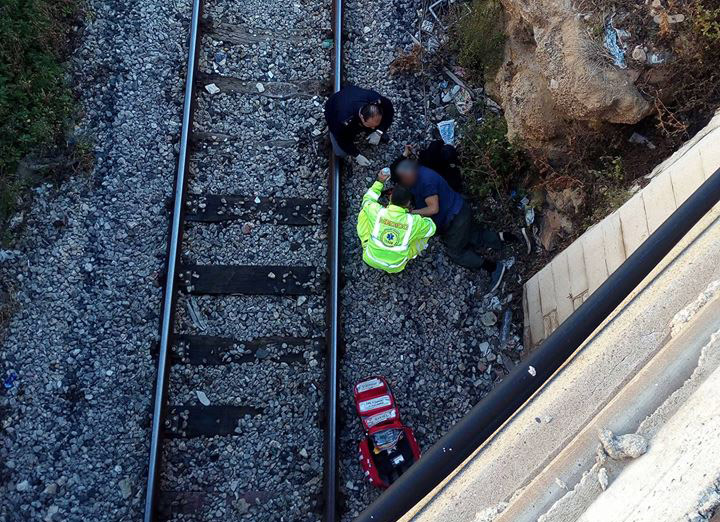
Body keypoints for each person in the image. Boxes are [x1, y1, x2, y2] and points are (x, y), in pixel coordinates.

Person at [395, 158, 518, 291]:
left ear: (407, 175)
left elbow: (433, 209)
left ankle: (494, 268)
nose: (403, 184)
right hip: (460, 208)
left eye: (402, 180)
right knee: (473, 235)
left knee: (455, 252)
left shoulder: (426, 182)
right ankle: (504, 237)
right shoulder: (417, 171)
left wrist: (411, 213)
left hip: (455, 219)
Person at [357, 169, 436, 274]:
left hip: (370, 257)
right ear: (408, 203)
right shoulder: (414, 222)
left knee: (365, 211)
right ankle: (408, 255)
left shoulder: (377, 212)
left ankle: (366, 242)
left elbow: (367, 199)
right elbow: (432, 228)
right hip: (396, 265)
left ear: (390, 198)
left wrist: (379, 182)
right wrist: (416, 217)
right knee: (424, 233)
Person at [324, 85, 395, 167]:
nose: (373, 128)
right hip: (333, 111)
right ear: (362, 117)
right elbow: (342, 140)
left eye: (375, 126)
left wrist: (379, 131)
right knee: (340, 152)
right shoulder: (343, 119)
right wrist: (357, 155)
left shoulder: (375, 99)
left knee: (375, 127)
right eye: (370, 125)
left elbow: (389, 111)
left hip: (352, 94)